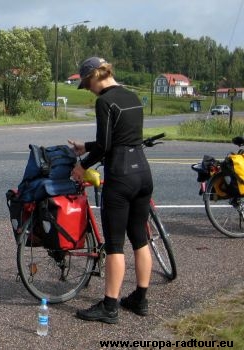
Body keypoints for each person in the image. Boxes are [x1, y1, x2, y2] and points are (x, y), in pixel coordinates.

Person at [68, 57, 153, 324]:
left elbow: (106, 146)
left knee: (115, 244)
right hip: (143, 174)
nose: (89, 89)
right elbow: (121, 137)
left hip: (121, 177)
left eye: (86, 84)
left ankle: (109, 306)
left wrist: (82, 165)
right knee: (140, 237)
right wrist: (87, 145)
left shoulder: (104, 102)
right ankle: (140, 299)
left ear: (94, 77)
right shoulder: (132, 96)